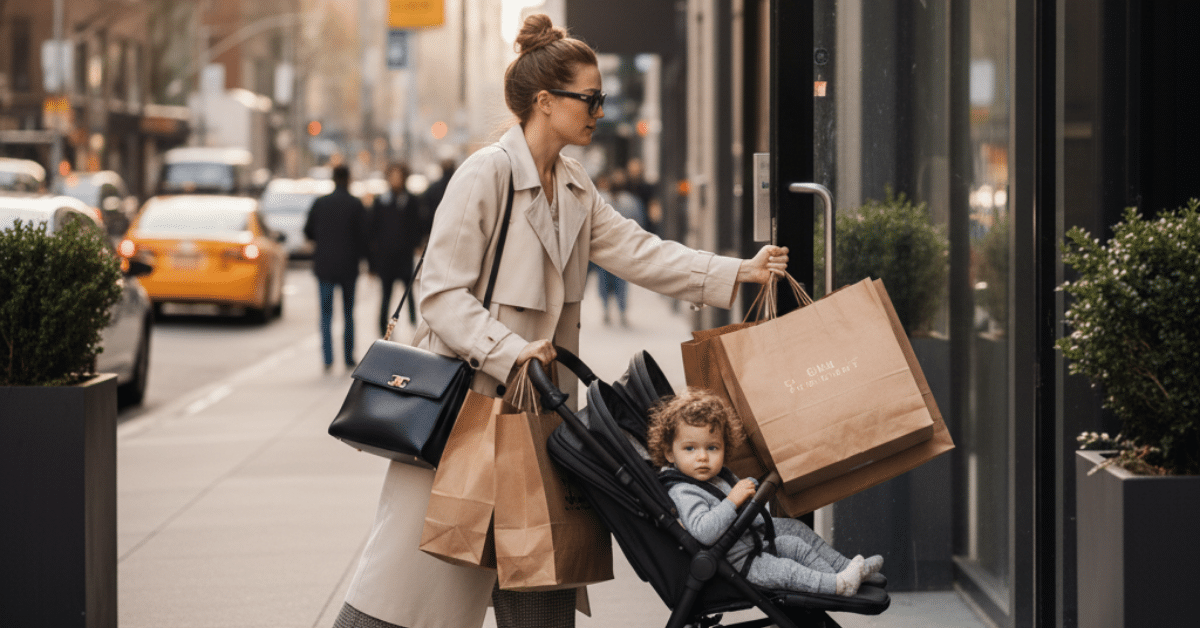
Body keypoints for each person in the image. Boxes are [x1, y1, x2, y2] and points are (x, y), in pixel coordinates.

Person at [333, 14, 789, 628]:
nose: (600, 109)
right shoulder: (485, 174)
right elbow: (440, 295)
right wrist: (509, 349)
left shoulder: (573, 186)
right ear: (545, 102)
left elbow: (640, 252)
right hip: (466, 424)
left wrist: (738, 272)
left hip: (540, 427)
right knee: (408, 604)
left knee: (539, 590)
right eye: (590, 98)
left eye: (602, 98)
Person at [648, 389, 884, 597]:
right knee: (787, 571)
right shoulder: (684, 491)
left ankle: (845, 569)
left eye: (712, 448)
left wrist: (745, 493)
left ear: (724, 448)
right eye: (690, 448)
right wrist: (733, 500)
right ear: (670, 453)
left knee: (797, 536)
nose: (702, 457)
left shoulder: (714, 477)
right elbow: (704, 532)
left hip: (751, 541)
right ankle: (837, 585)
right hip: (738, 562)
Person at [303, 164, 366, 370]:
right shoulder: (355, 205)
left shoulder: (320, 203)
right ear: (348, 179)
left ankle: (328, 359)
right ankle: (348, 357)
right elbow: (364, 236)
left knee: (326, 314)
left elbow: (308, 231)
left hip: (325, 266)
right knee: (348, 313)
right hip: (348, 266)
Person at [369, 161, 426, 333]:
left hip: (405, 256)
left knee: (408, 294)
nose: (395, 180)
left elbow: (418, 226)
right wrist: (373, 263)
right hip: (386, 258)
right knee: (386, 295)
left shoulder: (412, 201)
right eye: (392, 176)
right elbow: (373, 230)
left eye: (398, 176)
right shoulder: (381, 201)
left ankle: (413, 324)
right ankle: (382, 328)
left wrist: (415, 244)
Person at [594, 168, 646, 326]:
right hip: (612, 250)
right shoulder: (608, 199)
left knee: (615, 282)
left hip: (614, 250)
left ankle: (614, 311)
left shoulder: (622, 200)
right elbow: (639, 222)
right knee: (611, 282)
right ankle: (613, 311)